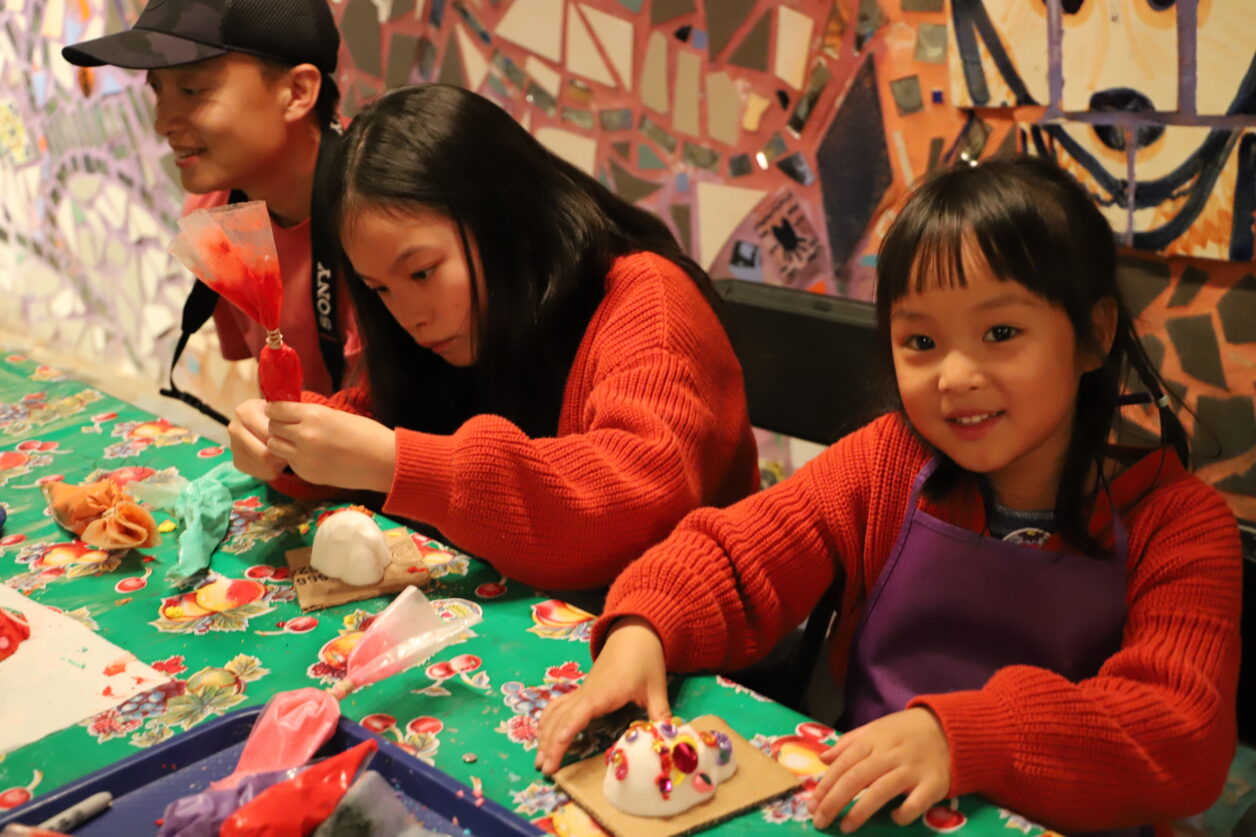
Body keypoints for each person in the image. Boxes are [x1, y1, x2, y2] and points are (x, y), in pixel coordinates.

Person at [536, 156, 1242, 835]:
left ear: (1094, 335)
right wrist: (645, 628)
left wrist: (961, 736)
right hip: (870, 812)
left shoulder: (1180, 524)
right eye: (922, 340)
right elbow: (733, 553)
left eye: (1001, 333)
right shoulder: (887, 461)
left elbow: (1180, 733)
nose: (956, 374)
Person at [226, 84, 759, 590]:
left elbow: (628, 509)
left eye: (422, 273)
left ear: (504, 218)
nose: (410, 317)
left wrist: (395, 461)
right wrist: (289, 444)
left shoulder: (650, 304)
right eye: (379, 289)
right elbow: (386, 416)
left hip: (677, 654)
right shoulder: (468, 322)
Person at [62, 0, 360, 418]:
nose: (163, 122)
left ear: (296, 92)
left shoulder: (387, 207)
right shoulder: (213, 215)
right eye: (157, 90)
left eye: (191, 89)